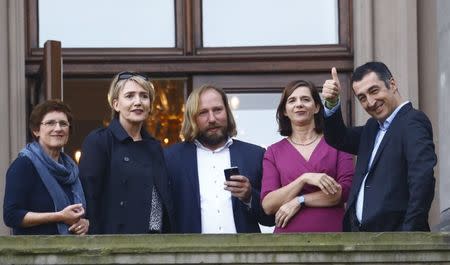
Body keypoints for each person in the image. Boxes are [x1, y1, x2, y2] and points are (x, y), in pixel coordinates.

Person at [322, 62, 436, 231]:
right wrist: (332, 103)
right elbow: (338, 138)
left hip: (395, 240)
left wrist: (410, 235)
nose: (370, 102)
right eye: (362, 97)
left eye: (374, 91)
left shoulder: (412, 121)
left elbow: (422, 179)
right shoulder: (372, 128)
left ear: (392, 84)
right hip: (360, 238)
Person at [164, 84, 274, 233]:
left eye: (217, 110)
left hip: (243, 253)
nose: (212, 119)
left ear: (227, 112)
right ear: (192, 118)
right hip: (190, 254)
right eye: (203, 112)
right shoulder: (172, 158)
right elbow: (163, 218)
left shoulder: (254, 155)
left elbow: (270, 218)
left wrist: (249, 197)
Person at [79, 71, 174, 234]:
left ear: (150, 105)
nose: (138, 102)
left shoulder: (155, 146)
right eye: (130, 96)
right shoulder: (100, 141)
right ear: (116, 104)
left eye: (144, 96)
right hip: (114, 245)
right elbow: (90, 197)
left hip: (156, 243)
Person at [261, 80, 354, 233]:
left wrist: (300, 200)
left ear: (317, 107)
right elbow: (268, 205)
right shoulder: (273, 152)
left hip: (333, 235)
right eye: (292, 100)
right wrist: (304, 179)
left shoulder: (336, 143)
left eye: (305, 99)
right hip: (287, 240)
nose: (299, 104)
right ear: (285, 110)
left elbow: (345, 191)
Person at [3, 100, 88, 235]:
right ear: (36, 130)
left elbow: (78, 215)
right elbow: (11, 216)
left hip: (72, 252)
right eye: (50, 123)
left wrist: (84, 223)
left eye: (63, 123)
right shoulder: (23, 165)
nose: (58, 128)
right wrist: (59, 216)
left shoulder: (71, 170)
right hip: (35, 253)